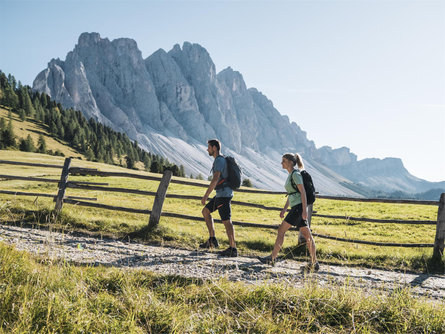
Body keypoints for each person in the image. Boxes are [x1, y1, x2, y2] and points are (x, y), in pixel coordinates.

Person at [258, 153, 319, 272]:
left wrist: (304, 211)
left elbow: (303, 193)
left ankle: (272, 258)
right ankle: (314, 263)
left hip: (298, 208)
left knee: (281, 230)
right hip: (296, 207)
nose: (281, 163)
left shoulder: (295, 175)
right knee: (307, 235)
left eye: (284, 161)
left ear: (291, 162)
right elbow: (292, 194)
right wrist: (285, 208)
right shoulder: (292, 175)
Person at [200, 139, 238, 257]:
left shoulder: (219, 161)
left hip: (224, 195)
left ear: (214, 148)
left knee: (227, 221)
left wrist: (206, 195)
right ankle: (212, 240)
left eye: (209, 147)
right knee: (206, 211)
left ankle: (233, 248)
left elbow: (215, 179)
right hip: (221, 194)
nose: (207, 149)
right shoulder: (219, 160)